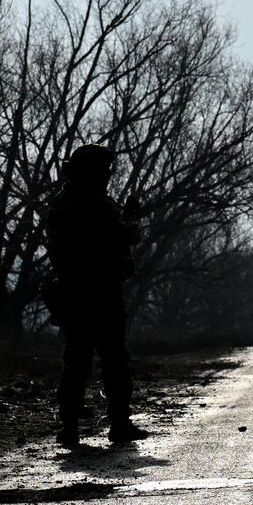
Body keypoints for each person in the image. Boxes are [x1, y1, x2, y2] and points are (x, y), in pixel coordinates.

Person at [44, 144, 148, 446]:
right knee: (114, 358)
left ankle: (70, 427)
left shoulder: (62, 203)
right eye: (105, 170)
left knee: (76, 359)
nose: (108, 175)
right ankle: (118, 422)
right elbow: (123, 235)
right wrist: (131, 222)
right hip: (101, 294)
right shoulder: (96, 204)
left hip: (73, 293)